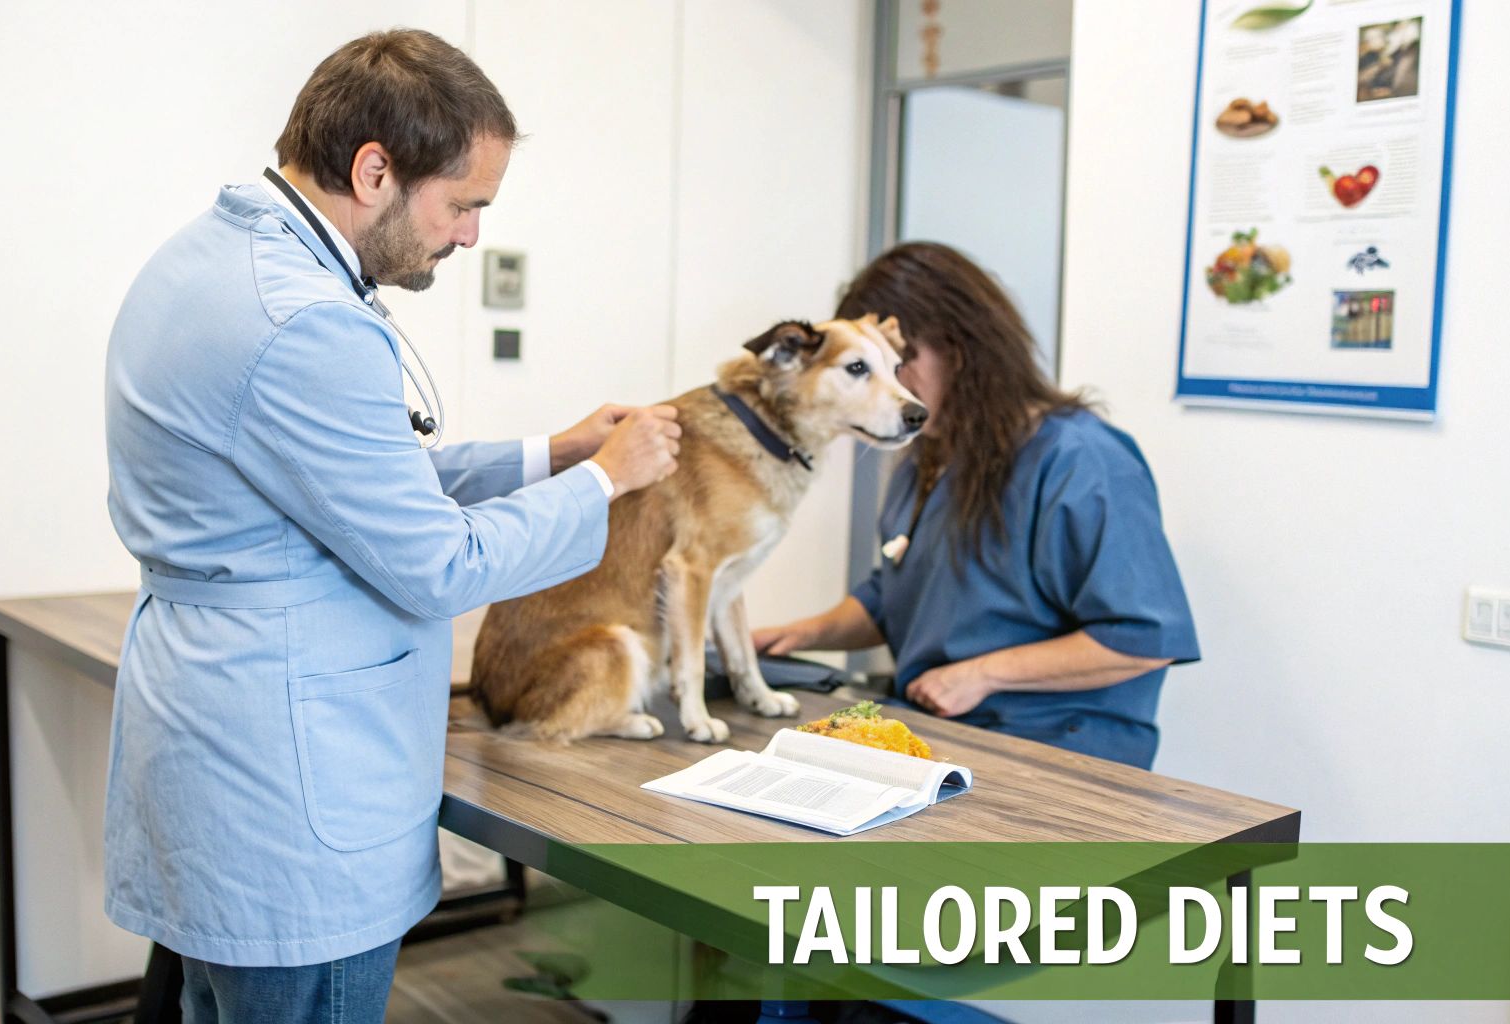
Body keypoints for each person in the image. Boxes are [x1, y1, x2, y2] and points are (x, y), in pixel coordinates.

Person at [102, 29, 680, 1023]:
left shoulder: (211, 260)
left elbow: (363, 478)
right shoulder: (306, 323)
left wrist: (554, 451)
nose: (467, 237)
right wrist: (605, 485)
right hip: (290, 794)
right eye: (463, 205)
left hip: (216, 745)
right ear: (375, 170)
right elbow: (435, 563)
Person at [754, 242, 1199, 770]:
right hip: (944, 741)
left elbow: (1144, 640)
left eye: (900, 362)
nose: (884, 389)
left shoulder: (1081, 460)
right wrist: (795, 636)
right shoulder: (928, 454)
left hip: (1057, 759)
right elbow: (902, 590)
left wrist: (983, 673)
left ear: (962, 350)